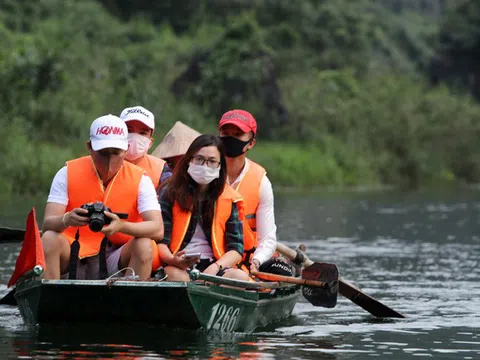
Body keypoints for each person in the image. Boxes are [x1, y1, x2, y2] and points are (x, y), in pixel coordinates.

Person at [41, 114, 163, 280]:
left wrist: (121, 226)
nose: (110, 161)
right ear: (89, 147)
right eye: (103, 153)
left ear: (126, 149)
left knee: (144, 244)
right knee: (49, 238)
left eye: (116, 153)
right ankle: (51, 298)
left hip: (116, 256)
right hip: (73, 252)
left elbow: (157, 228)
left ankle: (130, 300)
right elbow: (47, 223)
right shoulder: (66, 173)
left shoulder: (141, 179)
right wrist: (67, 219)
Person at [157, 134, 250, 282]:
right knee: (172, 275)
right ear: (189, 161)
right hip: (178, 264)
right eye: (199, 159)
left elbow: (236, 249)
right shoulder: (169, 192)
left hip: (215, 265)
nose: (204, 166)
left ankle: (207, 289)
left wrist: (215, 268)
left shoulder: (230, 198)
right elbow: (160, 241)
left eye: (212, 161)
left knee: (240, 277)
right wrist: (173, 260)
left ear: (220, 166)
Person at [218, 110, 279, 274]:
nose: (230, 138)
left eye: (238, 134)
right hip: (210, 257)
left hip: (246, 262)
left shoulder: (261, 182)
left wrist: (257, 261)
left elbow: (267, 238)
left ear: (251, 143)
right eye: (226, 133)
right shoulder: (206, 171)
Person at [120, 106, 171, 189]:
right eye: (129, 130)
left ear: (150, 143)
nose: (135, 138)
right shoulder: (99, 161)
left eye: (142, 133)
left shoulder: (161, 171)